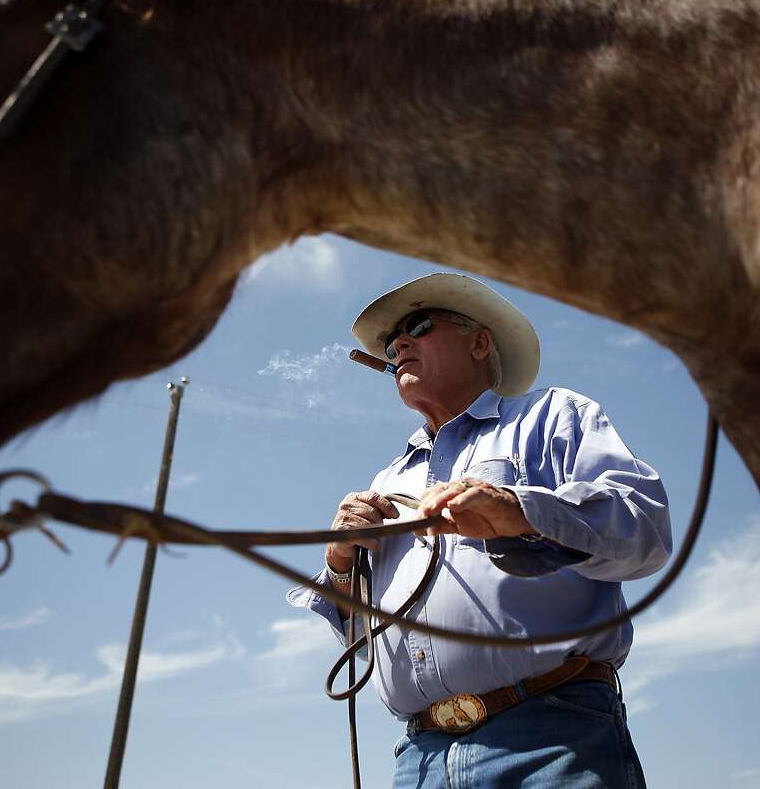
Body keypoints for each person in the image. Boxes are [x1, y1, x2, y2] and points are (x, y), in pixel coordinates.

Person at [287, 273, 671, 788]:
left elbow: (644, 528)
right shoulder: (387, 481)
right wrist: (338, 565)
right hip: (419, 759)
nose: (399, 342)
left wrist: (519, 511)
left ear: (479, 342)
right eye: (391, 341)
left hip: (551, 740)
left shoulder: (552, 416)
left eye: (418, 325)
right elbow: (366, 640)